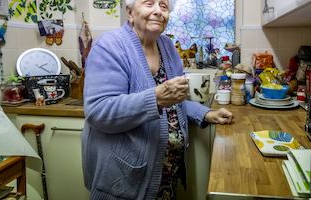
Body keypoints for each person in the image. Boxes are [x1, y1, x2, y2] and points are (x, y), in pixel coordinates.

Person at [81, 0, 233, 199]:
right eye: (149, 3)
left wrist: (207, 114)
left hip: (166, 172)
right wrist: (156, 99)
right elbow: (99, 111)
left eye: (163, 5)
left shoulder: (167, 45)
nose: (158, 11)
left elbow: (175, 100)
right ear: (130, 12)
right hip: (125, 179)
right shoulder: (110, 45)